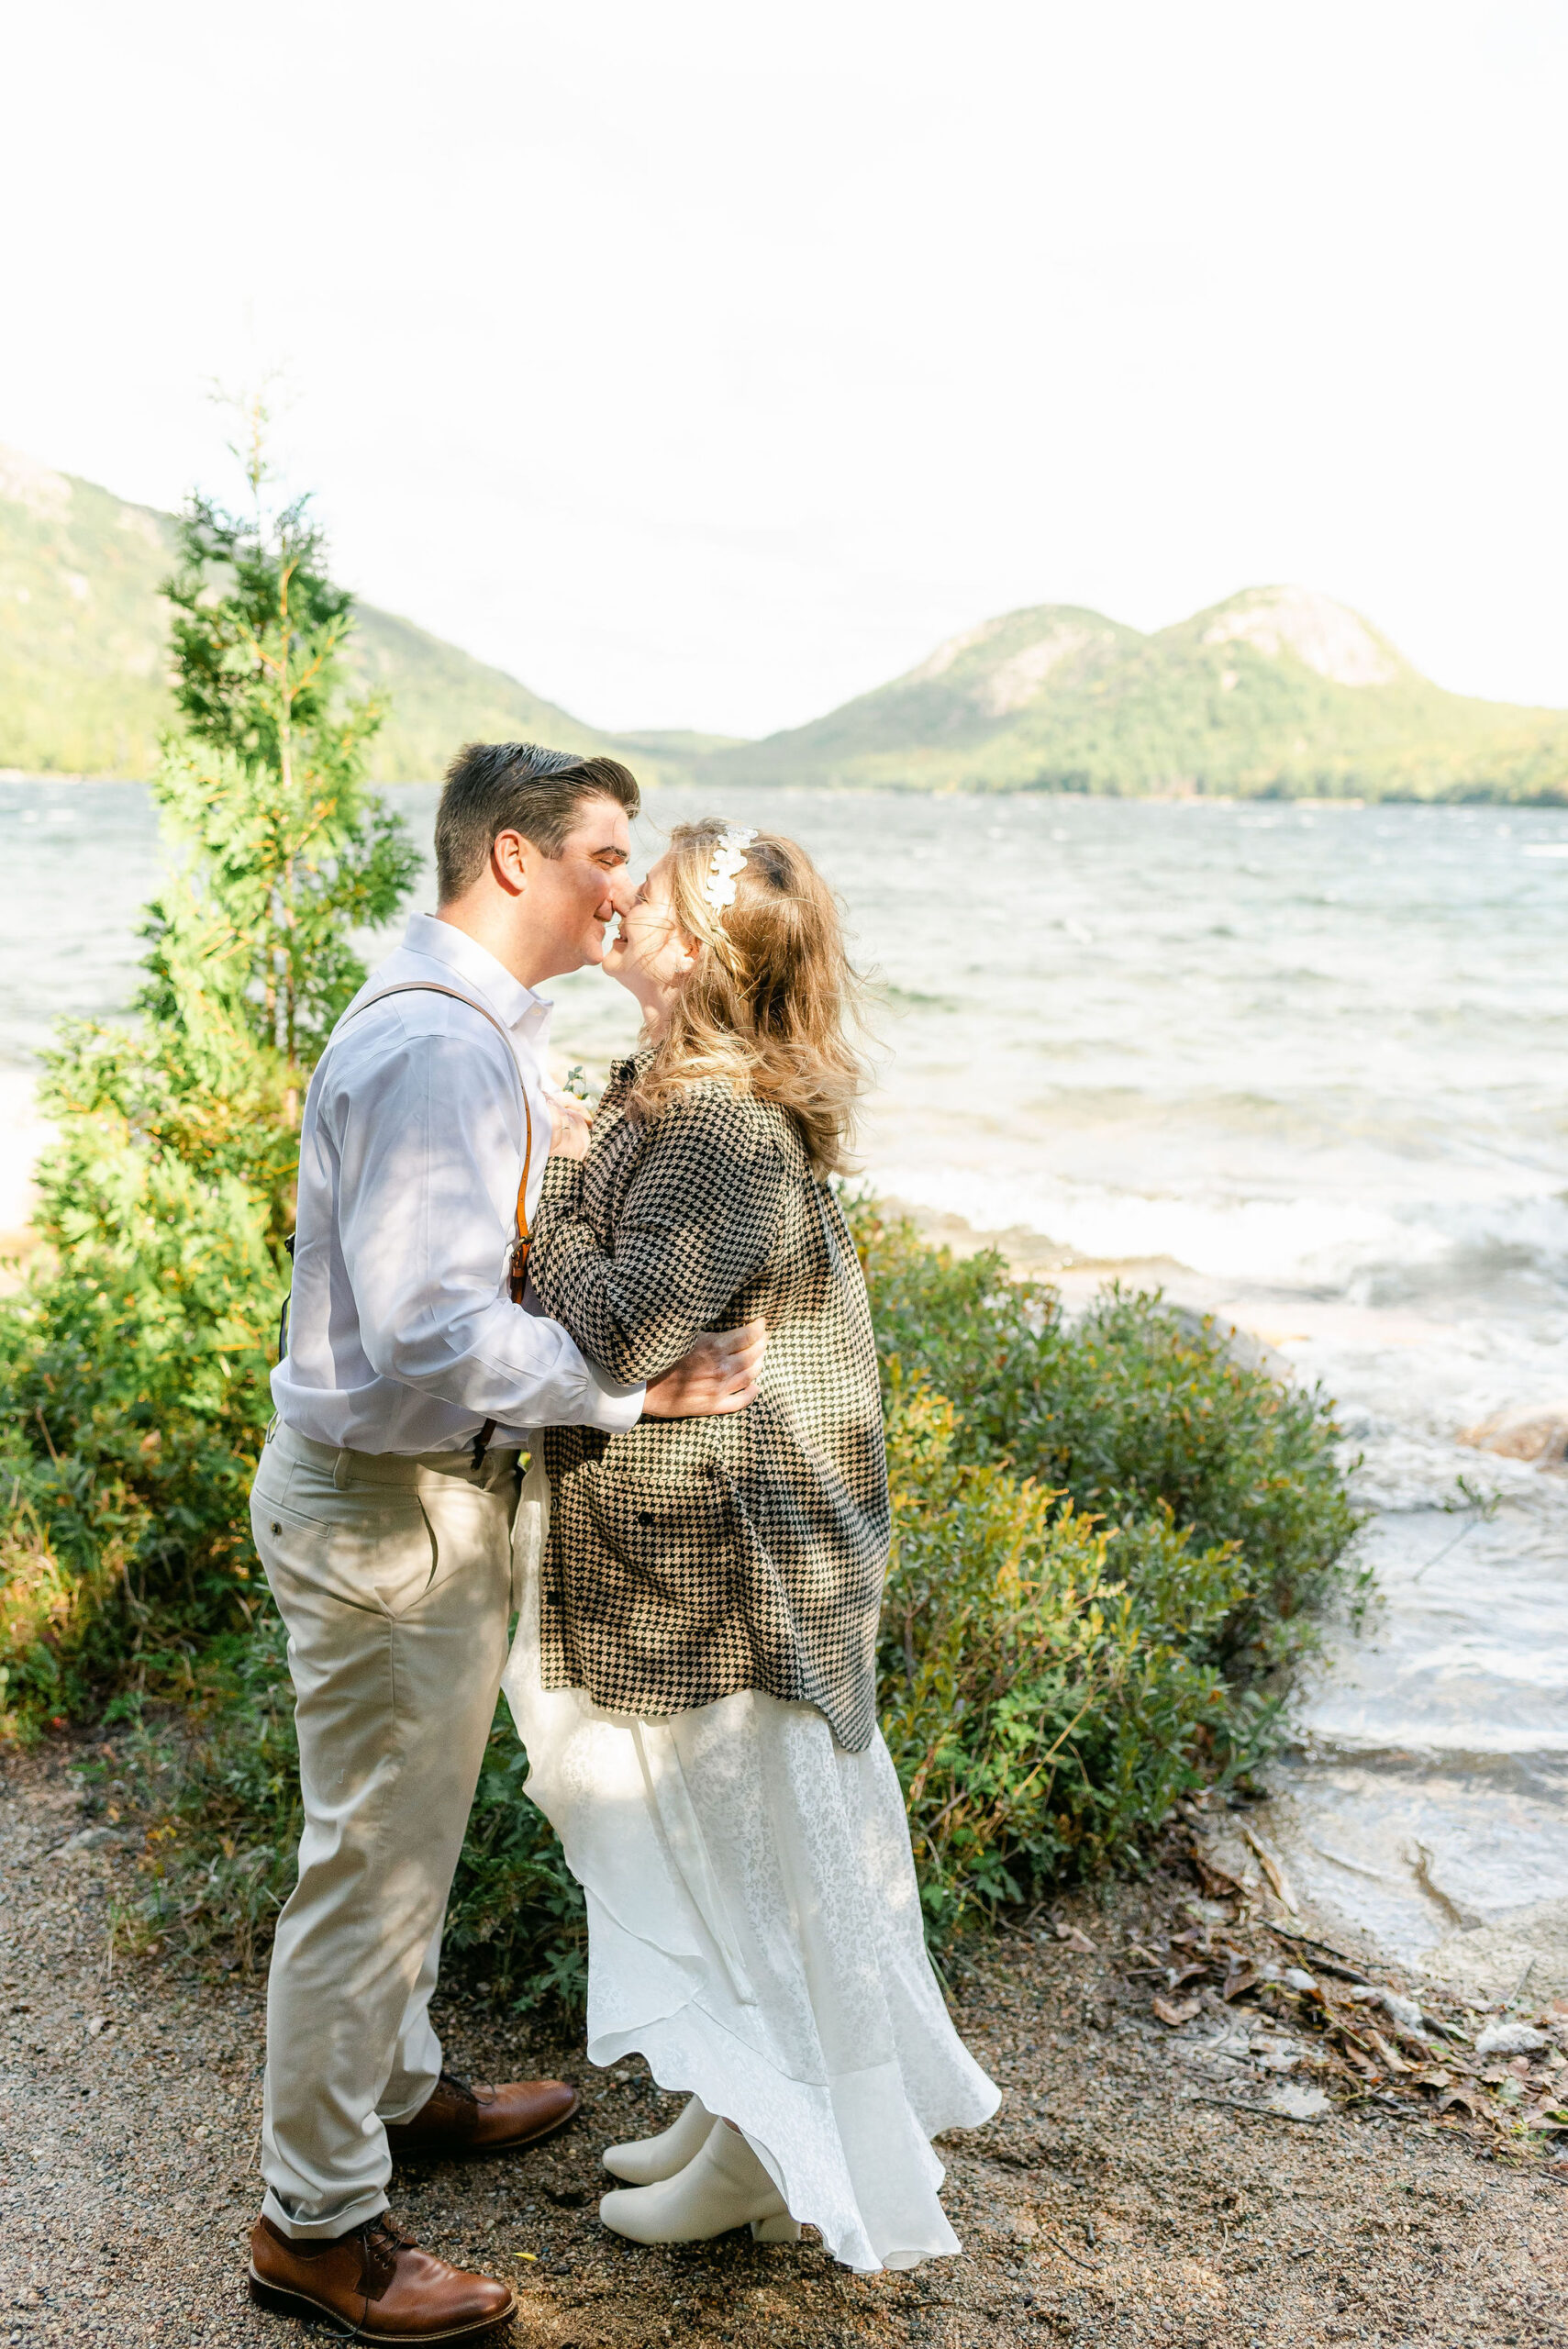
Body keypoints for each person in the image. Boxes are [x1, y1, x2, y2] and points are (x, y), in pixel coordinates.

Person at [245, 746, 766, 2343]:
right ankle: (316, 2228)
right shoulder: (437, 1053)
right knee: (369, 1869)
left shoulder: (476, 1031)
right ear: (520, 860)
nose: (630, 885)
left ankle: (397, 2095)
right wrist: (630, 1389)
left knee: (401, 1841)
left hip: (416, 1498)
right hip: (392, 1508)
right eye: (607, 852)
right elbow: (424, 1338)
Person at [503, 819, 998, 2277]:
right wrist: (584, 1179)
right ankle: (738, 2116)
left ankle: (768, 2153)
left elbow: (607, 1328)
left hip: (734, 1563)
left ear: (699, 953)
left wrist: (554, 1212)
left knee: (746, 1848)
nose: (617, 898)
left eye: (644, 893)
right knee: (715, 1843)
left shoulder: (714, 1127)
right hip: (699, 1537)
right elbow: (617, 1295)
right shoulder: (671, 1089)